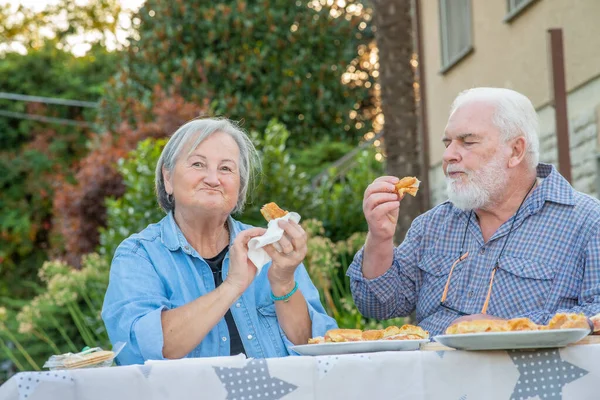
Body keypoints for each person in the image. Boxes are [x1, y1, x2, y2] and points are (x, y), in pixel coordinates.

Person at [347, 87, 600, 336]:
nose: (448, 156)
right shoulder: (432, 225)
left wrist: (509, 329)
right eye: (448, 143)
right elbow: (376, 305)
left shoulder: (587, 221)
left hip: (525, 374)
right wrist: (379, 238)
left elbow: (597, 312)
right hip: (434, 374)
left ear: (516, 151)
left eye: (467, 142)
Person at [102, 118, 337, 365]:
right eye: (198, 164)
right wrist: (232, 285)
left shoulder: (271, 248)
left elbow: (314, 349)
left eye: (226, 169)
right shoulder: (139, 255)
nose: (213, 179)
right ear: (168, 178)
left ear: (239, 189)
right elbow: (140, 352)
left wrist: (284, 281)